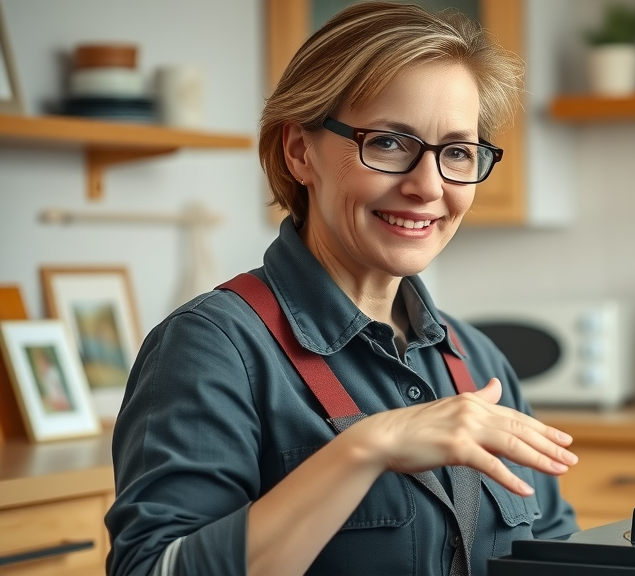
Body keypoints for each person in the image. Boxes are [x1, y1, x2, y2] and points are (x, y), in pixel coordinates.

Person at [104, 3, 580, 576]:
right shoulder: (211, 349)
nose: (427, 187)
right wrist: (366, 448)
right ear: (300, 152)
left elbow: (557, 552)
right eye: (387, 143)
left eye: (456, 152)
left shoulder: (477, 360)